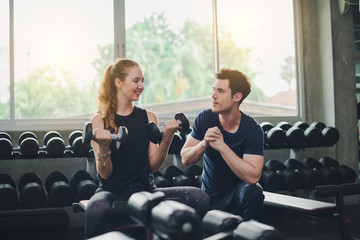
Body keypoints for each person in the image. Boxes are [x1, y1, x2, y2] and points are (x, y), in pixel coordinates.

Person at [85, 58, 209, 239]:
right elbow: (105, 174)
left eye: (142, 81)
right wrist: (104, 146)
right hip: (112, 192)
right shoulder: (99, 120)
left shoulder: (149, 117)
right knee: (96, 209)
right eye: (136, 81)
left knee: (200, 198)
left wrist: (167, 138)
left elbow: (152, 167)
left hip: (146, 190)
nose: (141, 86)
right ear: (118, 82)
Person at [180, 68, 265, 222]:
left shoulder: (252, 129)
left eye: (220, 91)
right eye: (214, 90)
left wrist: (222, 147)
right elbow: (185, 158)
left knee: (254, 191)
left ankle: (252, 232)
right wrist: (204, 143)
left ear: (237, 97)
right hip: (209, 195)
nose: (213, 95)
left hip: (237, 193)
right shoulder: (205, 118)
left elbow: (253, 177)